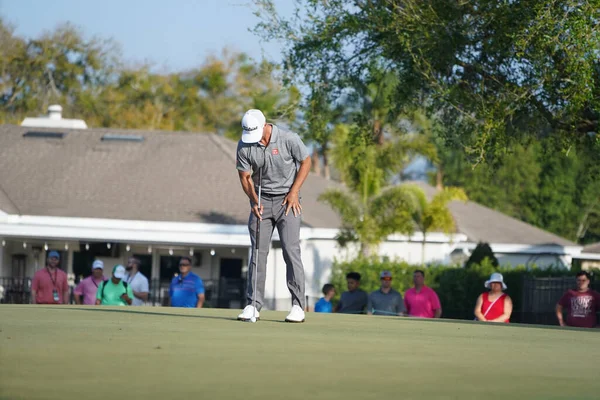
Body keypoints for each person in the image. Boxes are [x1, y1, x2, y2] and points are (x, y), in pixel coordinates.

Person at [235, 109, 312, 323]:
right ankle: (253, 305)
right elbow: (244, 176)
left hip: (288, 200)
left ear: (265, 125)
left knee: (290, 250)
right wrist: (253, 201)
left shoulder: (289, 139)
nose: (254, 139)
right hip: (261, 201)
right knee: (258, 253)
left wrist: (294, 191)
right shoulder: (244, 145)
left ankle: (297, 306)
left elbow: (306, 161)